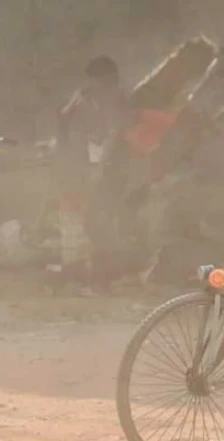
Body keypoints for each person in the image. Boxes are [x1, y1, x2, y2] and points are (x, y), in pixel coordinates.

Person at [54, 55, 128, 295]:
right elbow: (65, 119)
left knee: (98, 222)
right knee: (94, 222)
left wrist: (99, 168)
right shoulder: (88, 98)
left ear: (108, 79)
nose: (92, 84)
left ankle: (101, 282)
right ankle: (102, 277)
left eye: (97, 80)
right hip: (93, 167)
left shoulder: (115, 100)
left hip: (110, 170)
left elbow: (113, 136)